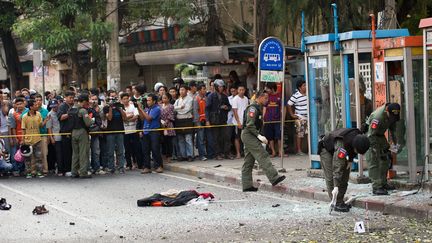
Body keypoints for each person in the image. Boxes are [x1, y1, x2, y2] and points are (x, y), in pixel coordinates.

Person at [241, 90, 286, 192]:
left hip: (250, 135)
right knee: (262, 155)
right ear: (259, 97)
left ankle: (247, 185)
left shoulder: (258, 107)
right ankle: (274, 177)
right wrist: (258, 136)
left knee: (249, 161)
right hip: (249, 135)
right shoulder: (253, 108)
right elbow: (249, 125)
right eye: (265, 98)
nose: (267, 100)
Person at [319, 128, 370, 212]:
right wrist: (335, 187)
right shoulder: (342, 146)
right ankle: (336, 202)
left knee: (345, 175)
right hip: (326, 149)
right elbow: (337, 166)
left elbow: (353, 151)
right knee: (331, 177)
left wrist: (350, 159)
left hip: (338, 149)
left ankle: (340, 200)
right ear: (355, 147)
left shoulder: (359, 138)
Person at [365, 103, 401, 195]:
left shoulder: (393, 115)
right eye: (391, 116)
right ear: (387, 111)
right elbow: (371, 134)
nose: (392, 118)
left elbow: (393, 130)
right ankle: (376, 187)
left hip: (380, 136)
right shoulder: (377, 118)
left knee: (385, 158)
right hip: (370, 137)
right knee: (374, 161)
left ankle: (383, 183)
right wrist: (374, 149)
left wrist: (395, 144)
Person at [22, 99, 50, 178]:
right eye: (35, 105)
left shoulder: (38, 114)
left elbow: (40, 125)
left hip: (38, 139)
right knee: (28, 158)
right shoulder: (24, 116)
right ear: (31, 107)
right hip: (28, 140)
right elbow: (23, 129)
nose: (37, 106)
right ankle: (29, 173)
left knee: (39, 156)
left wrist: (46, 120)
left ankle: (39, 172)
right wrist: (23, 140)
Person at [206, 79, 233, 160]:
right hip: (214, 120)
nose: (221, 88)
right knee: (216, 138)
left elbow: (229, 107)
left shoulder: (225, 96)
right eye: (219, 87)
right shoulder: (211, 96)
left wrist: (226, 107)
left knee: (226, 137)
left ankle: (227, 153)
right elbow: (207, 109)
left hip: (223, 120)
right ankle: (217, 154)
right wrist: (207, 120)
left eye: (222, 87)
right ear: (216, 87)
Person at [137, 93, 163, 173]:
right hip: (146, 131)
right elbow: (142, 118)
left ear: (154, 101)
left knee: (155, 149)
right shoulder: (147, 109)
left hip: (154, 131)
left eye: (149, 100)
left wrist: (141, 109)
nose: (147, 102)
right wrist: (139, 109)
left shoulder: (157, 109)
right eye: (147, 100)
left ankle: (158, 166)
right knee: (145, 150)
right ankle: (147, 167)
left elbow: (149, 118)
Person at [103, 90, 127, 174]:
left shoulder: (120, 106)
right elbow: (109, 118)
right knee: (110, 151)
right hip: (110, 132)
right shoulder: (106, 107)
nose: (113, 99)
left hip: (120, 131)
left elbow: (125, 118)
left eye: (115, 97)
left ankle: (121, 167)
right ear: (108, 98)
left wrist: (120, 108)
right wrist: (110, 107)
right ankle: (111, 167)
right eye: (111, 97)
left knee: (120, 151)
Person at [70, 94, 92, 178]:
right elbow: (88, 123)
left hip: (73, 132)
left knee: (75, 153)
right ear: (84, 101)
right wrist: (91, 120)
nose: (87, 103)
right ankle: (83, 172)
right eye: (86, 102)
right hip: (82, 132)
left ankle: (74, 172)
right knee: (83, 153)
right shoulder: (83, 110)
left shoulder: (71, 109)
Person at [121, 92, 142, 170]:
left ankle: (139, 164)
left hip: (134, 130)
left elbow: (136, 116)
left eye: (127, 98)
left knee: (136, 148)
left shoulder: (133, 106)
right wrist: (129, 117)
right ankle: (129, 164)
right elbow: (122, 119)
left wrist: (127, 119)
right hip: (125, 131)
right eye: (124, 99)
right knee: (127, 149)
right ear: (121, 100)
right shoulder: (121, 108)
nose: (126, 100)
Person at [174, 85, 194, 162]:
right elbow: (173, 108)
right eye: (180, 90)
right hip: (179, 120)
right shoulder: (178, 100)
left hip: (187, 120)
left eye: (183, 90)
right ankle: (183, 155)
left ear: (186, 91)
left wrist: (178, 109)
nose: (181, 91)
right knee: (180, 139)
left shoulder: (190, 99)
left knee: (188, 138)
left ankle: (190, 155)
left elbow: (187, 109)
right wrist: (180, 107)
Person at [287, 80, 308, 155]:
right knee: (300, 134)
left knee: (308, 134)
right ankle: (299, 150)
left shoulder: (308, 93)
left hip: (309, 117)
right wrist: (292, 114)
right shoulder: (295, 96)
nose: (305, 86)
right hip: (300, 117)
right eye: (304, 85)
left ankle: (309, 149)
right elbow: (289, 104)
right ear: (300, 87)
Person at [57, 91, 75, 176]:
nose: (72, 99)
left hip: (74, 131)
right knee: (66, 152)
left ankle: (74, 168)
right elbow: (60, 117)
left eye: (73, 98)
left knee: (74, 151)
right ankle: (67, 169)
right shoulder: (62, 106)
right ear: (66, 98)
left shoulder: (75, 105)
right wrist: (69, 113)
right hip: (65, 132)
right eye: (70, 98)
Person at [8, 97, 27, 176]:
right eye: (17, 104)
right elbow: (12, 127)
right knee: (15, 155)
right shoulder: (13, 114)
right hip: (17, 137)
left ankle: (23, 169)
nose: (19, 106)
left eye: (21, 104)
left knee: (24, 154)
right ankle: (15, 169)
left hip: (26, 137)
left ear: (24, 104)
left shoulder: (28, 112)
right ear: (15, 105)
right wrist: (14, 138)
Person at [263, 83, 283, 157]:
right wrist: (263, 118)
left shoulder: (279, 96)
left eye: (268, 88)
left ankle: (280, 151)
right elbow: (264, 107)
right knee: (270, 137)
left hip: (277, 120)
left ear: (272, 88)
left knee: (279, 136)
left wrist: (282, 119)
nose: (266, 90)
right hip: (268, 120)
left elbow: (282, 108)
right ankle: (273, 152)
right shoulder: (267, 96)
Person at [88, 94, 104, 174]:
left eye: (95, 99)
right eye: (92, 99)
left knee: (96, 151)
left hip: (95, 133)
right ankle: (87, 168)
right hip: (86, 134)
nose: (93, 101)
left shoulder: (99, 109)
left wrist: (97, 129)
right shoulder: (85, 109)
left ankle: (96, 168)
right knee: (86, 152)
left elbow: (99, 122)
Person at [231, 83, 249, 159]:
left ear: (244, 90)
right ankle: (238, 153)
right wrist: (238, 122)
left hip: (245, 121)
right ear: (237, 91)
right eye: (240, 90)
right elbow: (235, 111)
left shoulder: (246, 99)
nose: (241, 91)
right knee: (237, 138)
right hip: (237, 122)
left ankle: (245, 152)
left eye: (242, 90)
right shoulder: (235, 99)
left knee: (245, 137)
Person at [46, 99, 63, 176]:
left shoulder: (62, 112)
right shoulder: (50, 114)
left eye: (55, 106)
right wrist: (51, 138)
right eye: (53, 107)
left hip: (64, 135)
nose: (54, 108)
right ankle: (59, 170)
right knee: (58, 154)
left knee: (65, 153)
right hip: (56, 136)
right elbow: (49, 127)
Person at [160, 93, 176, 163]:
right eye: (163, 98)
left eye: (165, 98)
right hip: (161, 126)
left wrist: (165, 123)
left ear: (169, 98)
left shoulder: (171, 106)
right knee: (163, 142)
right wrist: (161, 122)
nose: (164, 99)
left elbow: (171, 116)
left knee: (169, 142)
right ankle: (163, 156)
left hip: (169, 125)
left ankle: (169, 157)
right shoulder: (160, 106)